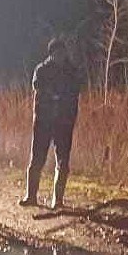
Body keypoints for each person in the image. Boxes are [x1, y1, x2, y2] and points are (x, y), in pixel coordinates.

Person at [23, 37, 84, 209]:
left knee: (63, 161)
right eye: (58, 52)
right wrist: (53, 94)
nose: (61, 55)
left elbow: (76, 89)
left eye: (63, 52)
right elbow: (37, 86)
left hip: (64, 122)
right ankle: (31, 196)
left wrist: (62, 97)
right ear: (51, 54)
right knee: (37, 159)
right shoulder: (41, 70)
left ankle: (57, 200)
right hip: (43, 121)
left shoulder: (71, 71)